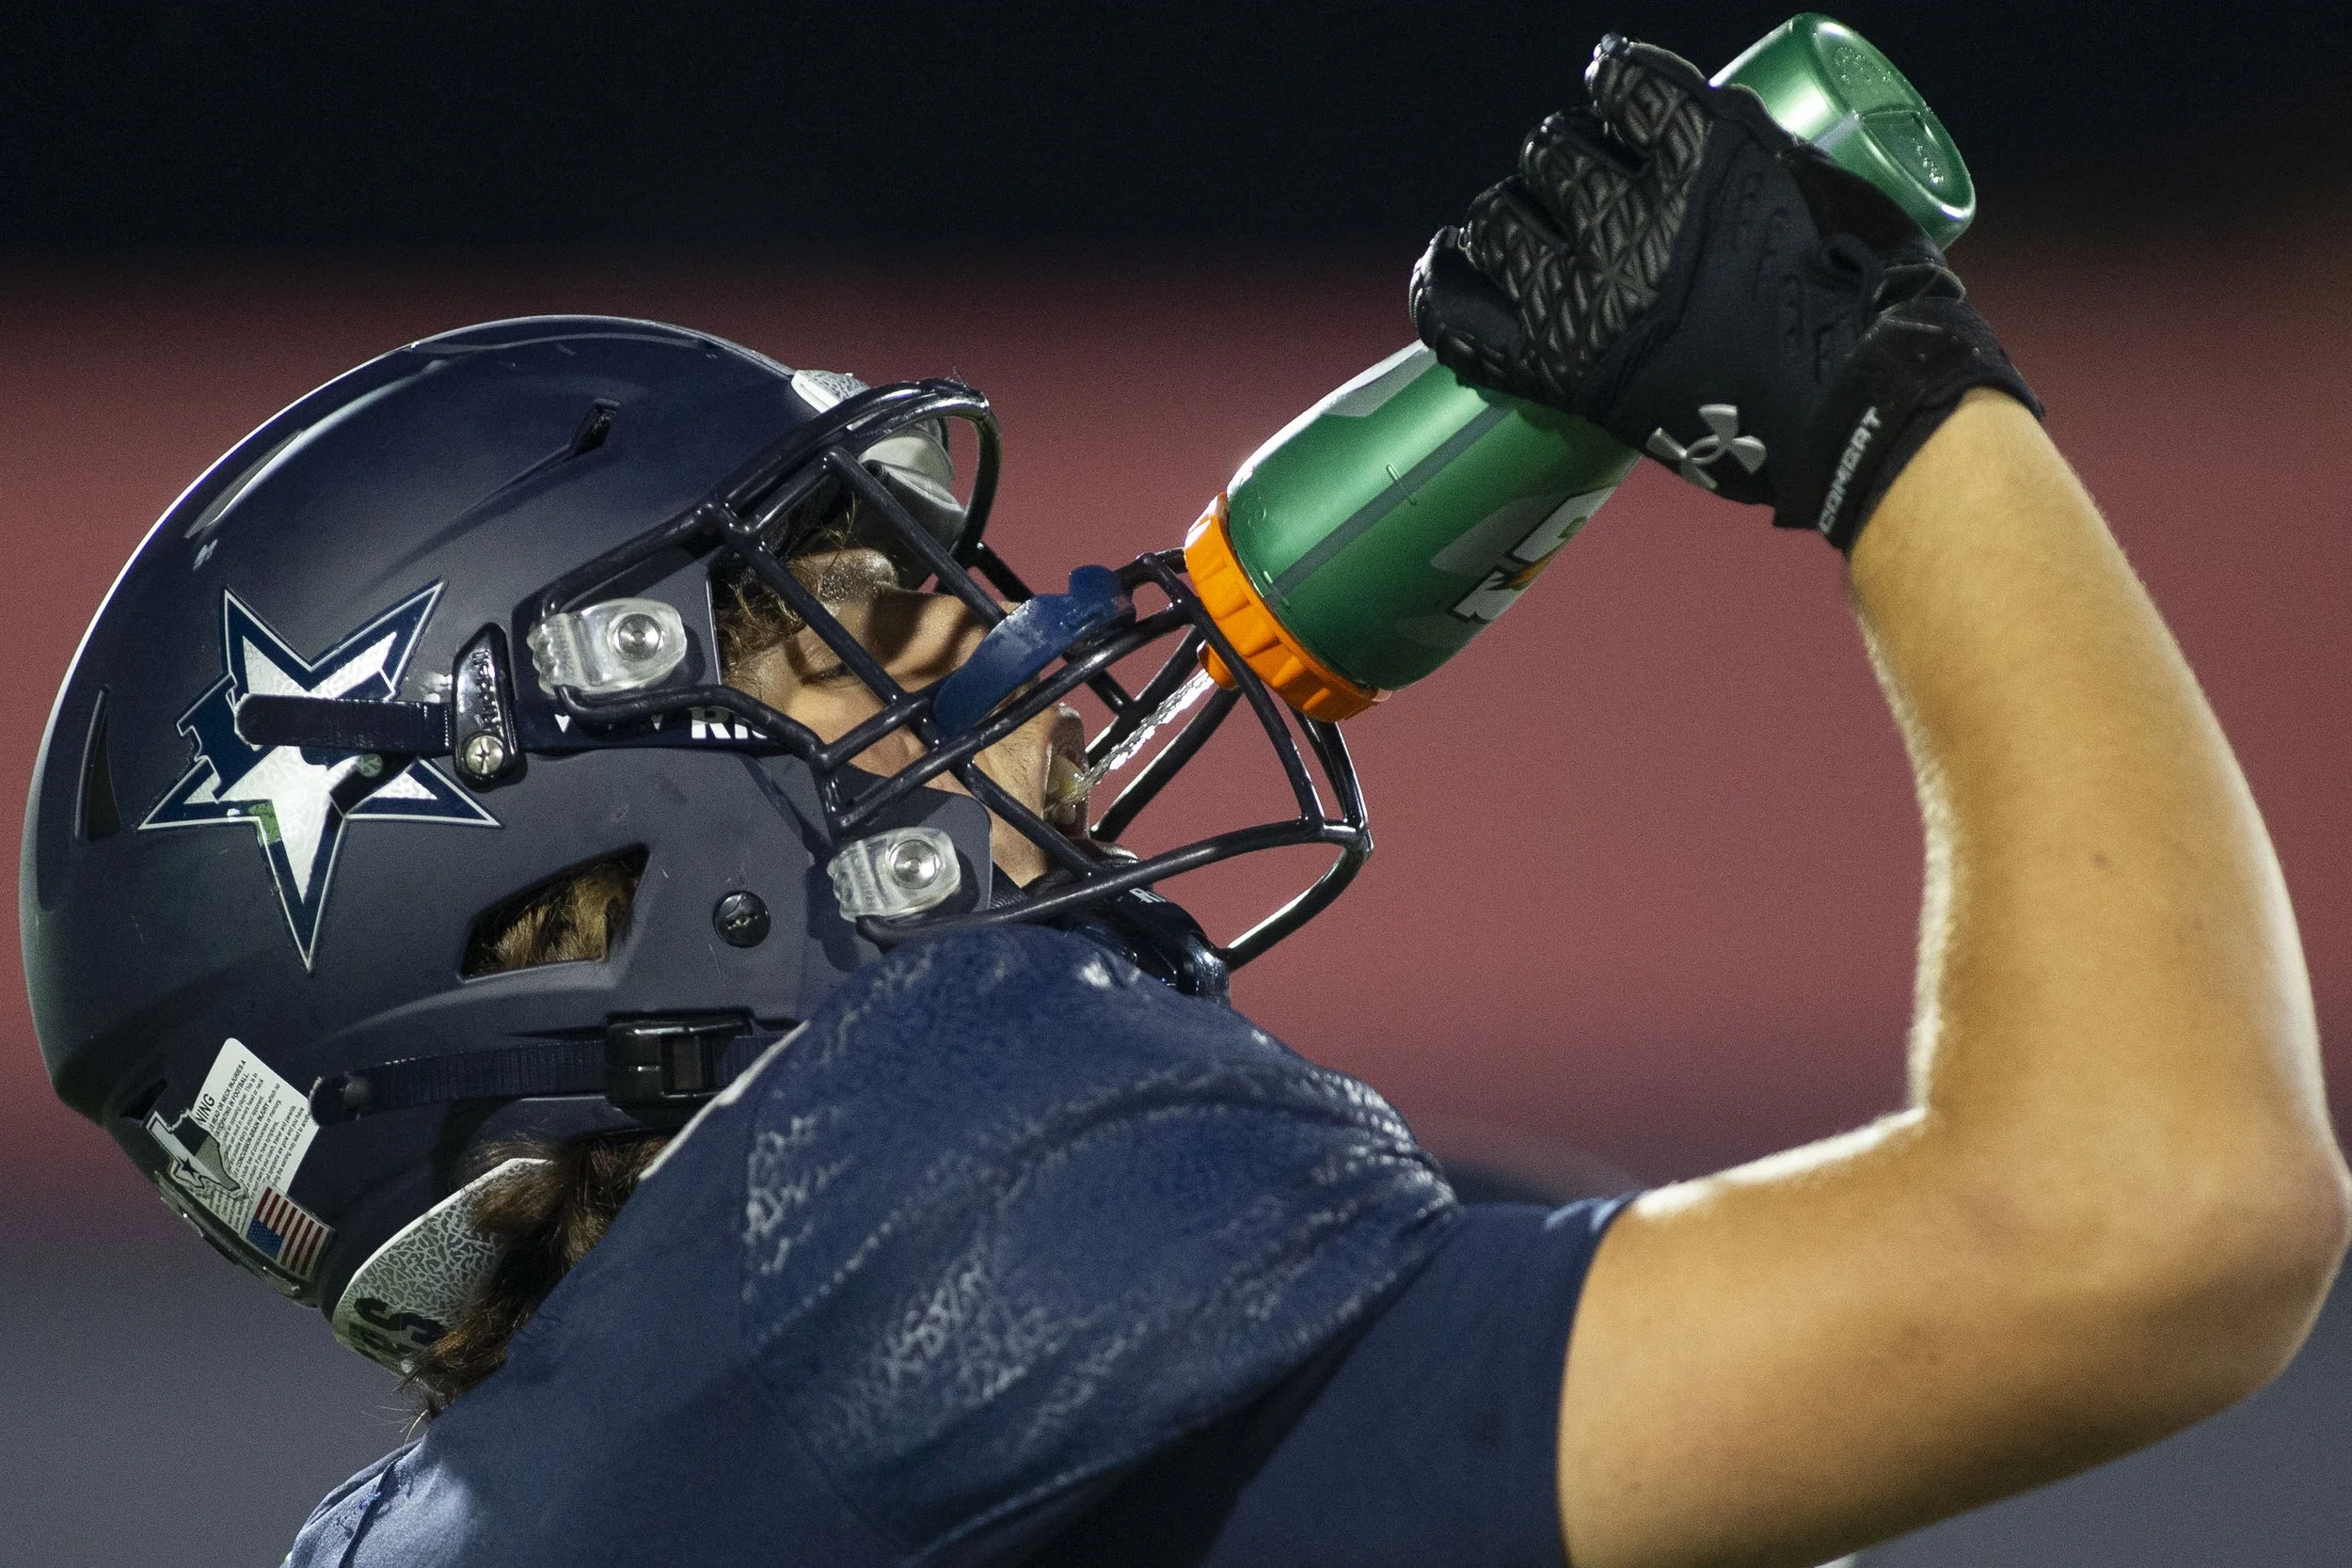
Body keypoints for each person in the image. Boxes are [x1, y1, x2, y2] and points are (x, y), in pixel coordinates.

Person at [23, 35, 2346, 1568]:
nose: (990, 655)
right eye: (839, 621)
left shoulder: (592, 1484)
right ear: (567, 881)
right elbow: (2143, 1213)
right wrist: (1884, 407)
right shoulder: (876, 1309)